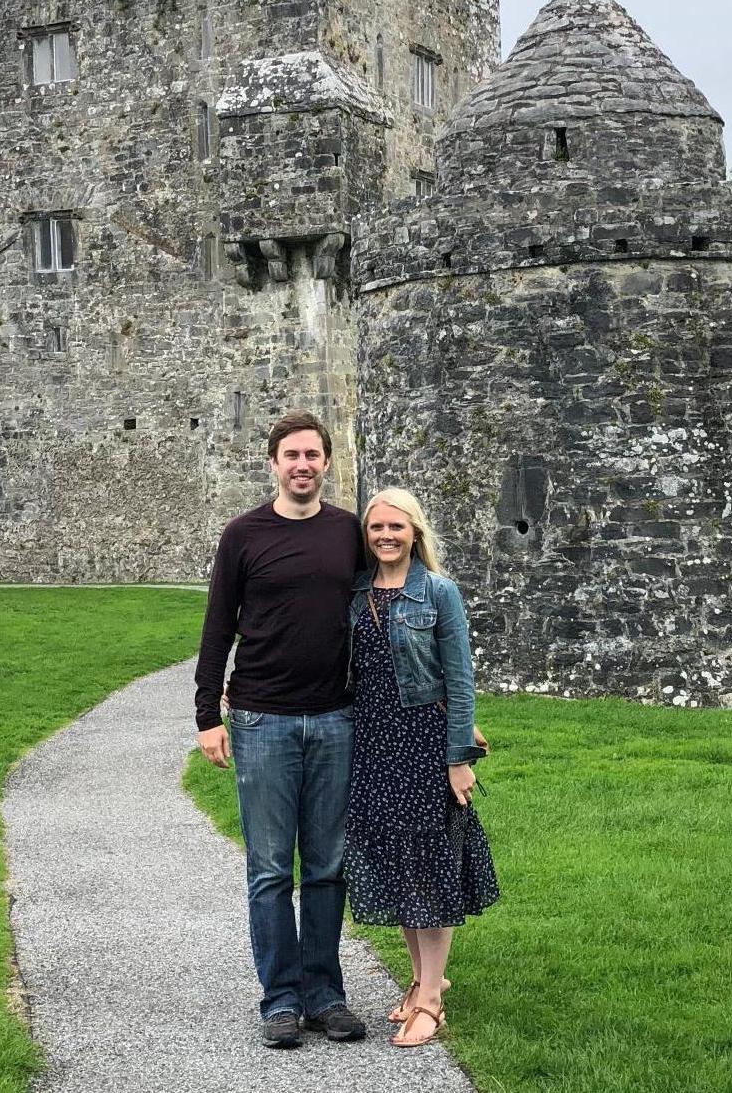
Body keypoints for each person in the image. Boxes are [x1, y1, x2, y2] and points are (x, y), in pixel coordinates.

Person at [194, 411, 368, 1048]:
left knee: (326, 866)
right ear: (272, 464)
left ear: (327, 463)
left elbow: (381, 611)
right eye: (290, 455)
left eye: (312, 456)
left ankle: (326, 995)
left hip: (334, 719)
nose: (302, 465)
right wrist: (207, 716)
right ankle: (281, 1000)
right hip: (262, 718)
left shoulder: (347, 532)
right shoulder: (243, 536)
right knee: (270, 869)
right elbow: (217, 629)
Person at [345, 487, 499, 1048]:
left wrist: (460, 758)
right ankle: (418, 980)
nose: (385, 536)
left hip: (423, 746)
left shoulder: (438, 593)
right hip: (372, 747)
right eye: (376, 528)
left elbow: (459, 682)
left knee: (430, 866)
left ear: (415, 533)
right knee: (398, 862)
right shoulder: (357, 592)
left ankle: (432, 1000)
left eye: (396, 527)